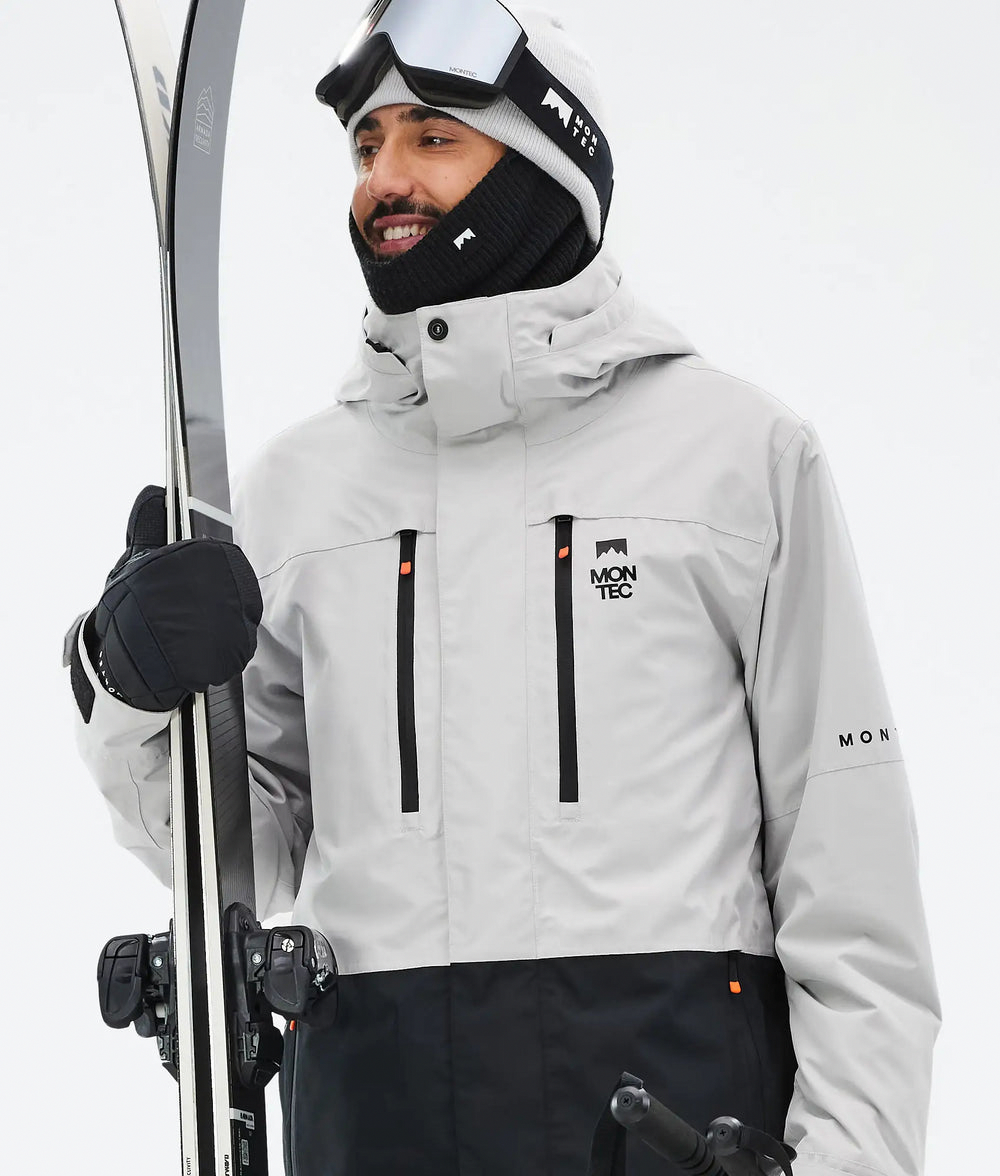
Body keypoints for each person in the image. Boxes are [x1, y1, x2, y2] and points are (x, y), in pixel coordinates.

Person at [67, 4, 940, 1174]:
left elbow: (852, 891)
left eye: (432, 136)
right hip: (376, 1131)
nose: (384, 179)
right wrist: (129, 689)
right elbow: (238, 854)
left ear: (547, 161)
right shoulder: (297, 494)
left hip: (668, 1138)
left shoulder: (736, 459)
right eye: (367, 145)